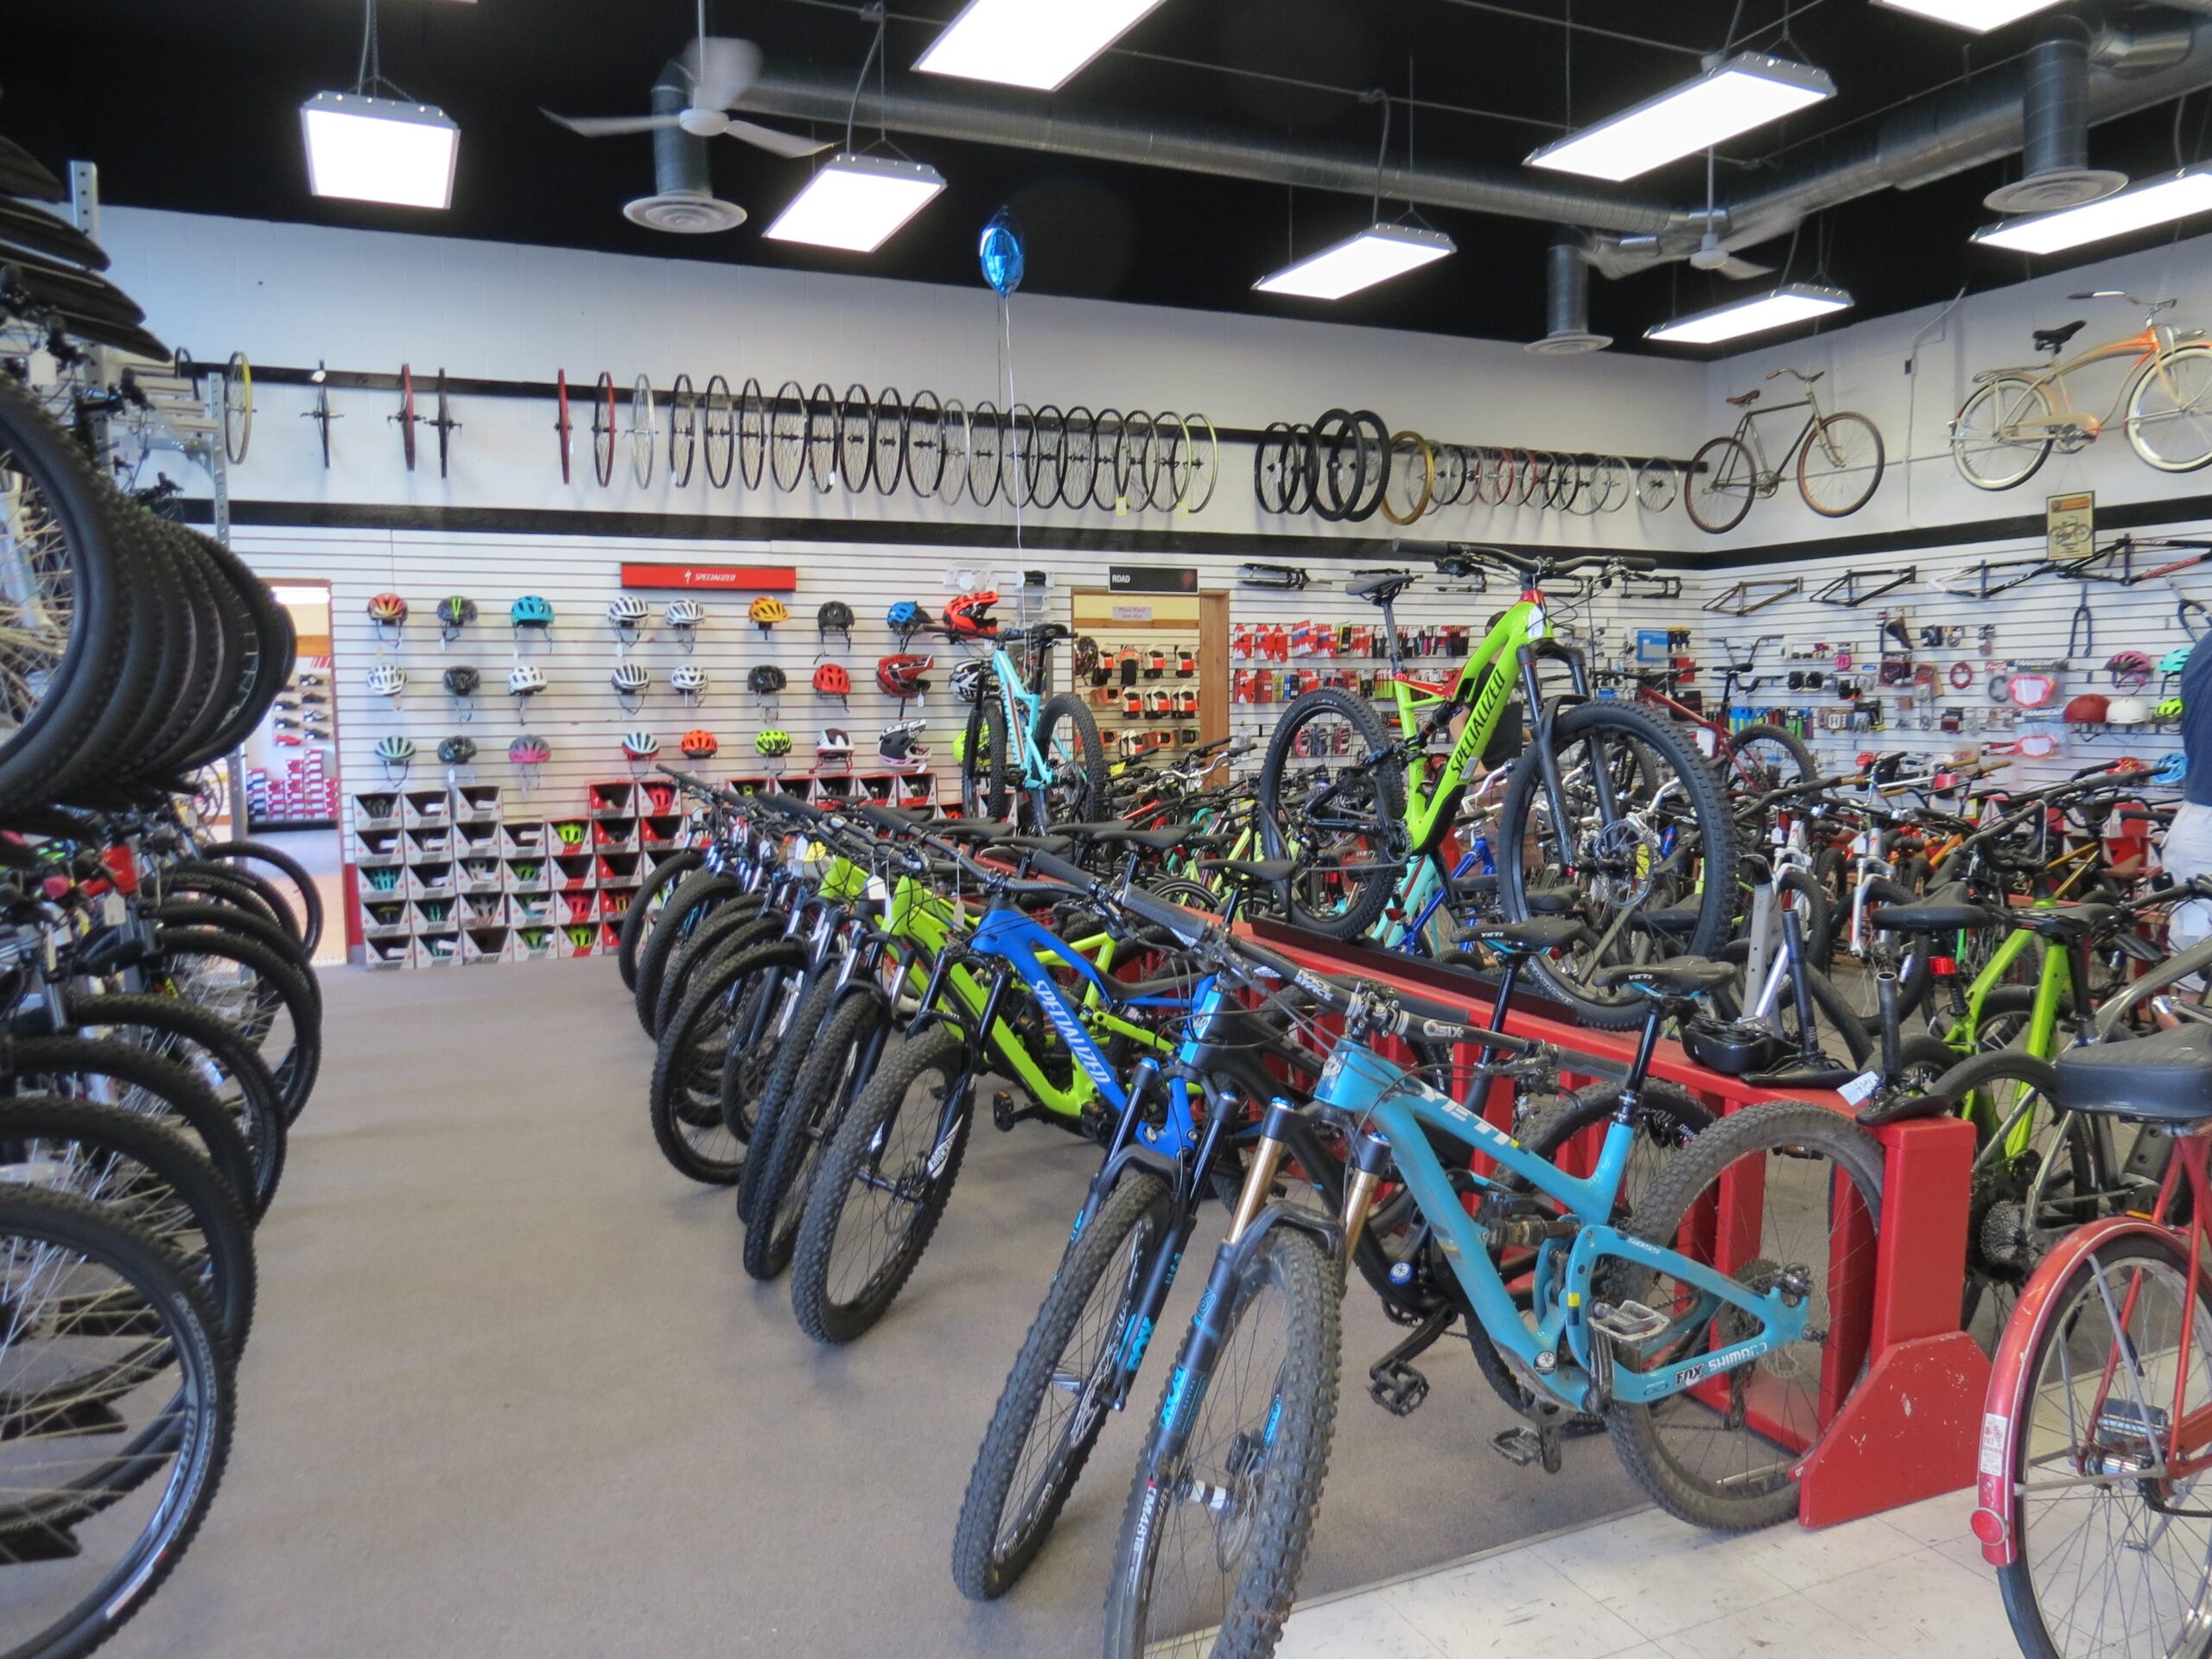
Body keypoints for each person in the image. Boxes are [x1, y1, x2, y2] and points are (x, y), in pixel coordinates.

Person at [2166, 631, 2212, 950]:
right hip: (2204, 836)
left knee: (2195, 958)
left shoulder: (2204, 651)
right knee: (2198, 959)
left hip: (2199, 826)